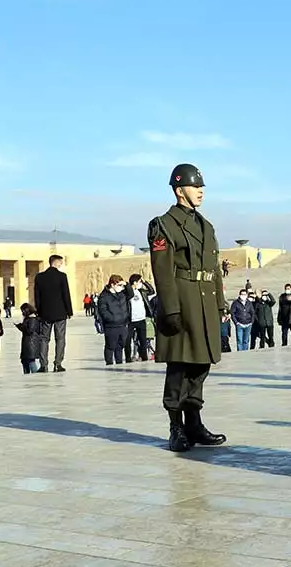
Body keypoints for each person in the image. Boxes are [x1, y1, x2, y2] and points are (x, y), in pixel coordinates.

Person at [147, 163, 228, 453]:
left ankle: (194, 423)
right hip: (182, 301)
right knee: (179, 367)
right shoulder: (163, 225)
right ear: (180, 191)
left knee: (200, 365)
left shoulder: (206, 225)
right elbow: (162, 271)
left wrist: (220, 304)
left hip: (204, 303)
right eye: (196, 187)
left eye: (203, 187)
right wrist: (170, 310)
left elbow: (214, 269)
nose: (201, 192)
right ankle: (176, 426)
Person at [33, 254, 74, 373]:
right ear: (56, 263)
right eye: (60, 263)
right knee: (60, 338)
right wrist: (69, 311)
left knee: (44, 339)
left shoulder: (40, 277)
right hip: (60, 313)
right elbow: (66, 294)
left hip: (45, 313)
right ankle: (58, 364)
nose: (61, 265)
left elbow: (37, 296)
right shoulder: (62, 276)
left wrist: (39, 311)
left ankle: (43, 365)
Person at [98, 275, 130, 366]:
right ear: (112, 284)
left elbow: (130, 294)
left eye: (122, 285)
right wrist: (112, 319)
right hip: (111, 326)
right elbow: (103, 311)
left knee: (120, 347)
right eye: (119, 285)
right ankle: (109, 364)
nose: (121, 287)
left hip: (123, 325)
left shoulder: (122, 294)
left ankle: (119, 364)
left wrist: (126, 284)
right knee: (110, 346)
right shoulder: (104, 296)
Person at [126, 275, 156, 362]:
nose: (140, 284)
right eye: (139, 282)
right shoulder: (128, 292)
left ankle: (144, 357)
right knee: (128, 341)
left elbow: (152, 291)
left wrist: (145, 282)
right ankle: (128, 358)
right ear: (134, 283)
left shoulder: (141, 291)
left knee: (143, 340)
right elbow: (128, 292)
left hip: (141, 319)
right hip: (131, 320)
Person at [15, 303, 43, 374]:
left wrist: (21, 327)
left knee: (31, 361)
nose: (22, 313)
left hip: (31, 344)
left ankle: (35, 376)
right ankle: (26, 376)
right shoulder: (29, 319)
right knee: (25, 361)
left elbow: (30, 331)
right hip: (28, 343)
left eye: (23, 311)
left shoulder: (32, 319)